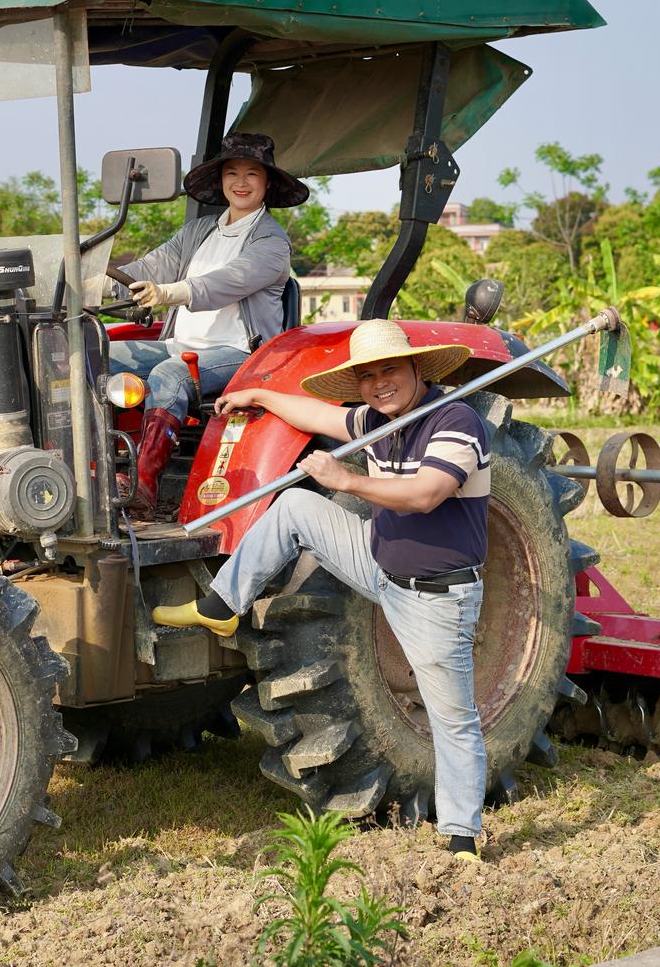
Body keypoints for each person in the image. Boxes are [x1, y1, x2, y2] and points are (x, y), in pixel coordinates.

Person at [153, 319, 491, 861]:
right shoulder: (379, 417)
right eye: (367, 376)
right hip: (378, 564)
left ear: (416, 368)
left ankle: (461, 836)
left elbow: (427, 494)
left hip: (435, 595)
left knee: (451, 717)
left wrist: (346, 479)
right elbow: (320, 416)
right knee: (294, 505)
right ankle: (222, 604)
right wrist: (260, 395)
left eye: (389, 370)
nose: (379, 383)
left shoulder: (456, 420)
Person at [108, 132, 308, 517]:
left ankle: (142, 484)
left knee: (170, 374)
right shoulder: (198, 232)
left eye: (252, 173)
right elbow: (151, 266)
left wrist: (170, 292)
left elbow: (227, 281)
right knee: (95, 354)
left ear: (268, 183)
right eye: (232, 173)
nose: (241, 182)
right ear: (221, 180)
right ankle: (88, 468)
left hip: (241, 353)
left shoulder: (272, 243)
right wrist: (94, 281)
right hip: (181, 344)